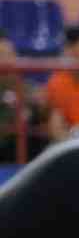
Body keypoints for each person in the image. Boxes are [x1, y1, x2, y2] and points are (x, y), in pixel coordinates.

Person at [0, 32, 49, 164]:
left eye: (10, 54)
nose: (7, 60)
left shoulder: (27, 88)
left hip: (29, 156)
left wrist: (41, 107)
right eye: (1, 55)